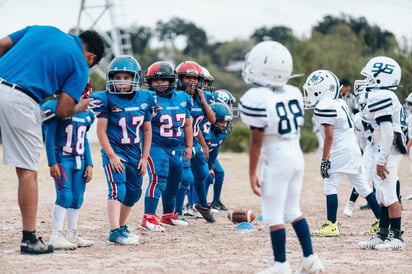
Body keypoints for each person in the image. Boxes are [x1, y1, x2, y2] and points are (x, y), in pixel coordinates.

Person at [0, 25, 104, 254]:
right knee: (27, 170)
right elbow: (63, 110)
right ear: (91, 58)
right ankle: (29, 239)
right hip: (22, 99)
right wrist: (80, 106)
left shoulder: (41, 29)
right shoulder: (80, 64)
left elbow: (1, 45)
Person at [240, 41, 323, 274]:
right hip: (295, 153)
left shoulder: (256, 97)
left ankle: (280, 264)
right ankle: (310, 259)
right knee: (293, 210)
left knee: (274, 214)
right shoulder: (293, 92)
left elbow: (256, 140)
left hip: (277, 155)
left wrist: (251, 172)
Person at [303, 70, 381, 238]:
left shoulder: (325, 106)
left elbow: (329, 136)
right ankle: (382, 221)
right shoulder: (339, 102)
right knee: (363, 186)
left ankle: (331, 225)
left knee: (330, 186)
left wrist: (324, 159)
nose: (309, 94)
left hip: (339, 150)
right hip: (352, 149)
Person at [89, 55, 154, 245]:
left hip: (135, 153)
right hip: (115, 151)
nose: (121, 81)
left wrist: (144, 157)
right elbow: (101, 130)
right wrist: (111, 155)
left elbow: (147, 129)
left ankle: (122, 227)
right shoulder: (106, 99)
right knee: (118, 189)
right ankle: (114, 231)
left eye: (126, 77)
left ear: (136, 78)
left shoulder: (145, 98)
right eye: (118, 77)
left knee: (133, 193)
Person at [357, 56, 406, 251]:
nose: (366, 80)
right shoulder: (382, 95)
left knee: (389, 192)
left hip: (389, 149)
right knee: (381, 194)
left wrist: (381, 159)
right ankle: (383, 233)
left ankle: (396, 237)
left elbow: (387, 133)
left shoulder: (383, 96)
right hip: (384, 148)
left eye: (370, 76)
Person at [41, 82, 95, 250]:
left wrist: (90, 163)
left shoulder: (87, 114)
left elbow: (84, 140)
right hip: (62, 158)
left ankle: (71, 233)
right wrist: (52, 163)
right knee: (65, 196)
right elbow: (49, 138)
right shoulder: (55, 108)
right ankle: (55, 235)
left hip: (79, 160)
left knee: (77, 198)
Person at [140, 61, 193, 232]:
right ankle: (148, 217)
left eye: (163, 80)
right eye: (155, 81)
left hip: (176, 146)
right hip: (156, 144)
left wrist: (188, 145)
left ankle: (168, 214)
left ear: (171, 81)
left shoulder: (183, 98)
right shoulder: (148, 98)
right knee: (158, 178)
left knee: (175, 181)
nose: (159, 84)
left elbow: (187, 124)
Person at [174, 61, 216, 223]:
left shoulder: (204, 98)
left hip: (195, 142)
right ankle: (177, 211)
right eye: (187, 78)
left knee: (203, 174)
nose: (191, 82)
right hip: (179, 142)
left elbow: (210, 120)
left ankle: (202, 205)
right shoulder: (176, 97)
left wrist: (204, 102)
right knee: (185, 178)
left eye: (194, 78)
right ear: (179, 79)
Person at [204, 102, 233, 211]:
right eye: (221, 121)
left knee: (217, 173)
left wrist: (210, 166)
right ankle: (195, 204)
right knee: (202, 176)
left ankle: (214, 202)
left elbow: (214, 151)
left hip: (209, 157)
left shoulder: (221, 133)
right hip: (193, 157)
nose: (224, 125)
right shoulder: (206, 132)